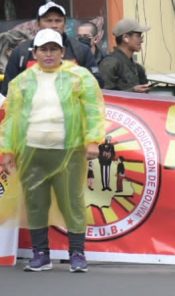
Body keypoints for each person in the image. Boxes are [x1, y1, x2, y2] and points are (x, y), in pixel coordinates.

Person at [0, 28, 105, 273]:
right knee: (35, 203)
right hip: (31, 151)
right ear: (34, 52)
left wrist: (93, 141)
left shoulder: (79, 77)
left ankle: (77, 253)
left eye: (53, 49)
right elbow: (12, 120)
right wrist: (7, 151)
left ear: (62, 52)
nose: (48, 54)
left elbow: (93, 109)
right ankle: (40, 254)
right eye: (43, 49)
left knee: (73, 202)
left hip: (68, 150)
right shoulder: (21, 82)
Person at [1, 2, 93, 95]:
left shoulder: (81, 50)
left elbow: (95, 86)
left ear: (65, 24)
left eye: (58, 21)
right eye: (48, 21)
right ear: (38, 24)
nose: (54, 25)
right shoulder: (21, 52)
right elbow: (7, 91)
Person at [98, 18, 151, 93]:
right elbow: (105, 95)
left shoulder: (138, 68)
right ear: (125, 38)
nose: (141, 40)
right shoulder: (110, 63)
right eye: (138, 36)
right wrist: (132, 91)